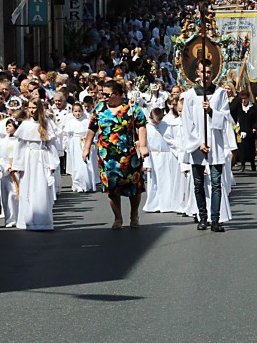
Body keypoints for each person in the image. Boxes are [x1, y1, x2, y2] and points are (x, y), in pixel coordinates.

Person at [84, 78, 149, 230]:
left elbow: (141, 126)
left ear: (118, 94)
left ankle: (134, 215)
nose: (104, 97)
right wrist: (86, 147)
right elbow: (92, 128)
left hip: (129, 154)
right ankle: (118, 217)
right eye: (102, 94)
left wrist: (143, 145)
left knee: (134, 185)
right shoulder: (100, 108)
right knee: (111, 187)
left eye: (107, 94)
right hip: (107, 155)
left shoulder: (132, 107)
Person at [179, 62, 235, 232]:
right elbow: (187, 122)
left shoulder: (220, 94)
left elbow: (225, 118)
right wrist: (197, 143)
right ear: (197, 72)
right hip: (197, 146)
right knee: (198, 184)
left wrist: (211, 111)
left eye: (209, 72)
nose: (206, 75)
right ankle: (202, 217)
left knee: (216, 183)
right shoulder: (189, 95)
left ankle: (215, 219)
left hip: (215, 145)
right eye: (203, 72)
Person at [15, 98, 60, 231]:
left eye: (34, 108)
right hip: (28, 158)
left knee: (41, 189)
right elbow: (20, 147)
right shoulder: (25, 125)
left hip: (42, 158)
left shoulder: (46, 124)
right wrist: (19, 165)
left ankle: (42, 221)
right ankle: (27, 220)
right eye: (30, 107)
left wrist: (52, 164)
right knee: (27, 189)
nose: (32, 110)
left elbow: (51, 145)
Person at [0, 115, 21, 227]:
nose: (7, 128)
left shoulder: (20, 141)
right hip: (6, 172)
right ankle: (10, 219)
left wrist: (17, 166)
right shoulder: (2, 142)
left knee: (17, 195)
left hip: (18, 170)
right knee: (8, 195)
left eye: (10, 126)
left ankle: (20, 217)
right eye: (6, 126)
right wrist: (7, 166)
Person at [144, 107, 180, 213]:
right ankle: (154, 204)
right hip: (153, 156)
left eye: (158, 122)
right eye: (155, 122)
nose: (157, 124)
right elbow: (145, 144)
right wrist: (147, 162)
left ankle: (167, 204)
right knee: (154, 182)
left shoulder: (166, 125)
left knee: (167, 181)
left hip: (166, 156)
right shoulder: (147, 127)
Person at [63, 103, 96, 193]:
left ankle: (87, 184)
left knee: (85, 164)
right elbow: (67, 135)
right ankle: (78, 184)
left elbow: (93, 132)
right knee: (76, 165)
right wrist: (67, 145)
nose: (77, 113)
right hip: (75, 143)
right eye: (75, 111)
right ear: (72, 112)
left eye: (79, 111)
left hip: (84, 142)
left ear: (82, 111)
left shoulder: (86, 121)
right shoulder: (70, 123)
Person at [231, 90, 257, 172]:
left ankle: (252, 164)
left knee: (250, 148)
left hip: (250, 131)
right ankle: (242, 165)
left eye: (245, 98)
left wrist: (255, 127)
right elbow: (231, 110)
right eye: (242, 99)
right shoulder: (238, 107)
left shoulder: (254, 107)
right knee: (241, 149)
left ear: (248, 98)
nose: (244, 101)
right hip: (240, 130)